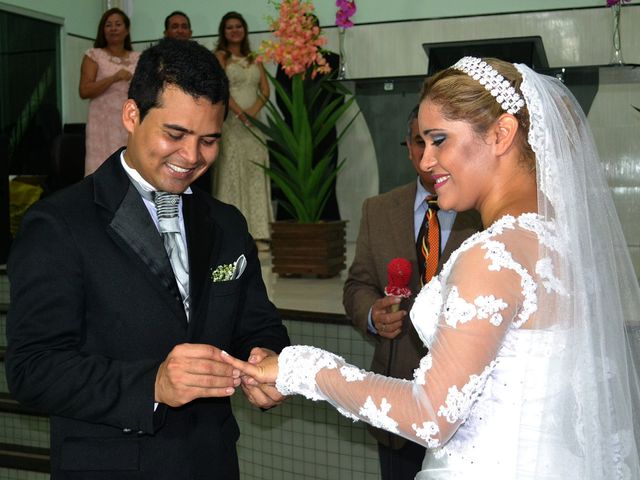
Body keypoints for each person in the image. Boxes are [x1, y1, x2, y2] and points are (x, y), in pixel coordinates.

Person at [222, 57, 640, 478]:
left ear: (501, 134)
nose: (425, 161)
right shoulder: (558, 242)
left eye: (440, 140)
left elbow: (431, 417)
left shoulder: (492, 256)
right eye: (421, 142)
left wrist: (299, 369)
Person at [6, 38, 290, 480]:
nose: (192, 157)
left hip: (211, 461)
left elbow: (258, 321)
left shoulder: (227, 224)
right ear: (132, 114)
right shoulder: (59, 224)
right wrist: (152, 385)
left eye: (209, 140)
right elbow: (32, 369)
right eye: (175, 134)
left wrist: (269, 358)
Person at [343, 105, 481, 480]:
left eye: (438, 141)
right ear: (408, 147)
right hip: (397, 400)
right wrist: (373, 314)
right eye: (419, 142)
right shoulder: (378, 209)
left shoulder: (483, 212)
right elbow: (357, 284)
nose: (427, 153)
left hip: (468, 408)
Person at [212, 11, 272, 251]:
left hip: (254, 124)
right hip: (231, 121)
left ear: (244, 30)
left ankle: (259, 232)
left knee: (255, 171)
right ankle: (231, 232)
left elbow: (265, 90)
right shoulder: (221, 57)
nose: (234, 30)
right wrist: (239, 113)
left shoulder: (254, 57)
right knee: (231, 170)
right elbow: (220, 88)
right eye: (229, 27)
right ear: (223, 32)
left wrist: (254, 112)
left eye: (238, 26)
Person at [273, 15, 342, 221]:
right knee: (292, 182)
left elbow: (337, 95)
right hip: (294, 132)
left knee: (326, 179)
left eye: (311, 28)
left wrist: (320, 119)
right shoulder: (287, 60)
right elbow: (281, 94)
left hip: (324, 129)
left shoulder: (331, 59)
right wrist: (297, 120)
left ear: (318, 31)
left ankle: (328, 225)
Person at [79, 8, 140, 176]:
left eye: (118, 24)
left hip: (131, 121)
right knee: (101, 170)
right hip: (102, 123)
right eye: (108, 25)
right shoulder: (94, 55)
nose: (113, 28)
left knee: (132, 167)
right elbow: (84, 90)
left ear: (127, 30)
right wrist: (114, 78)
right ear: (102, 30)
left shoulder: (139, 57)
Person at [162, 10, 212, 195]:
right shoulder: (157, 59)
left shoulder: (205, 59)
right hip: (169, 129)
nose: (180, 31)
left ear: (190, 32)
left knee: (198, 186)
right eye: (174, 27)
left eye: (184, 27)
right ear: (166, 33)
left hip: (199, 128)